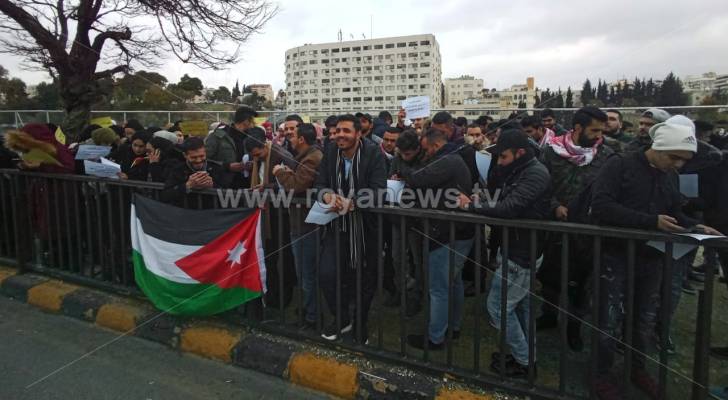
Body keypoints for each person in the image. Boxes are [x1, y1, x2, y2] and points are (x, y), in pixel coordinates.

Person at [589, 121, 721, 400]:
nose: (679, 165)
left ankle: (636, 367)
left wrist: (693, 227)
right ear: (658, 148)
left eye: (684, 160)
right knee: (608, 319)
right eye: (674, 157)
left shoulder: (669, 175)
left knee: (644, 319)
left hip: (652, 258)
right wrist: (650, 221)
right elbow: (601, 205)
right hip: (616, 255)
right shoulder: (619, 166)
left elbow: (673, 212)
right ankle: (601, 374)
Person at [458, 129, 551, 378]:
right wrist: (484, 197)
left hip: (522, 253)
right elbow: (506, 198)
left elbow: (510, 207)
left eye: (503, 157)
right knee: (519, 308)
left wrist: (472, 205)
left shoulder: (535, 174)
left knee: (497, 308)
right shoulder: (522, 169)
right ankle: (526, 356)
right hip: (516, 249)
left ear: (520, 153)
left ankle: (524, 362)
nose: (499, 162)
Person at [536, 107, 613, 351]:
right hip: (554, 227)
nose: (599, 135)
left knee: (581, 283)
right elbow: (539, 185)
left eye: (602, 130)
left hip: (587, 230)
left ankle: (574, 327)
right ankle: (548, 314)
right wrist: (554, 206)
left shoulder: (607, 156)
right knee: (550, 275)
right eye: (594, 130)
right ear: (578, 128)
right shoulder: (551, 152)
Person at [396, 128, 474, 350]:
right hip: (457, 230)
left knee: (438, 288)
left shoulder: (446, 161)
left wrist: (400, 162)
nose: (425, 153)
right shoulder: (453, 158)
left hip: (446, 233)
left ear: (436, 146)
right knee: (453, 283)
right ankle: (453, 327)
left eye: (426, 149)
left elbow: (415, 179)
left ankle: (435, 337)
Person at [314, 114, 386, 343]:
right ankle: (342, 317)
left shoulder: (374, 153)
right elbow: (320, 184)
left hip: (366, 229)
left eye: (346, 131)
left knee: (364, 280)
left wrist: (352, 202)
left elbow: (379, 191)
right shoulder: (331, 152)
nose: (340, 135)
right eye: (337, 131)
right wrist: (326, 195)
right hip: (336, 226)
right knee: (327, 274)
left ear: (358, 133)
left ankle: (360, 323)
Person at [272, 123, 323, 329]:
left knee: (306, 273)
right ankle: (309, 310)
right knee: (305, 272)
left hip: (306, 225)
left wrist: (279, 173)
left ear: (301, 139)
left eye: (292, 136)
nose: (289, 139)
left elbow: (296, 186)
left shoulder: (312, 158)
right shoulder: (306, 157)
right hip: (302, 222)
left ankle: (311, 316)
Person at [244, 127, 297, 309]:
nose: (256, 158)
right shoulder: (259, 157)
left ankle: (285, 296)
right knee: (269, 256)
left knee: (283, 256)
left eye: (258, 154)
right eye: (254, 156)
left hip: (280, 214)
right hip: (265, 212)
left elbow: (291, 182)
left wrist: (266, 187)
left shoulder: (281, 154)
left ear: (265, 145)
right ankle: (271, 294)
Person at [160, 137, 232, 205]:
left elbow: (229, 192)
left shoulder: (217, 168)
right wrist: (188, 185)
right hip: (188, 212)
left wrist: (212, 186)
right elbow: (166, 195)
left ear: (205, 153)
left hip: (212, 212)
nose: (198, 160)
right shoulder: (177, 170)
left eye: (201, 156)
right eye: (193, 157)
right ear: (185, 155)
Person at [205, 105, 258, 188]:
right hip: (223, 186)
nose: (254, 124)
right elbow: (205, 160)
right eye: (252, 120)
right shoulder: (218, 136)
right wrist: (227, 166)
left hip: (248, 185)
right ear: (246, 121)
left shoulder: (252, 137)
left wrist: (252, 164)